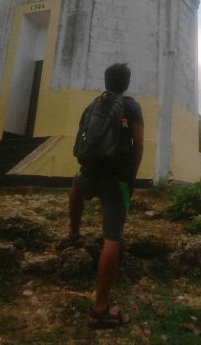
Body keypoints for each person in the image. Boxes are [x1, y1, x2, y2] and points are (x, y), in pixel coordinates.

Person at [67, 63, 143, 329]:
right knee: (113, 237)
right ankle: (100, 309)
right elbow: (138, 144)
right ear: (127, 81)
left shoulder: (92, 105)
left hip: (88, 171)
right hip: (116, 177)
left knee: (76, 186)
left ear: (105, 80)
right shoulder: (132, 106)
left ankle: (73, 234)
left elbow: (84, 138)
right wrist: (130, 176)